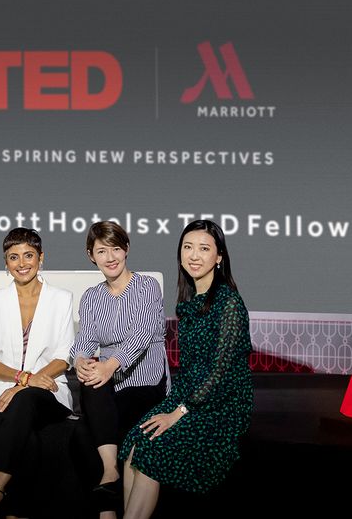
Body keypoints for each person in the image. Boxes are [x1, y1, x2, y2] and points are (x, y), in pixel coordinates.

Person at [119, 219, 254, 519]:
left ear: (219, 257)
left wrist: (178, 413)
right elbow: (191, 368)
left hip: (221, 404)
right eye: (188, 247)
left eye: (204, 249)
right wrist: (175, 403)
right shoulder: (191, 301)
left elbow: (221, 374)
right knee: (133, 444)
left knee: (154, 450)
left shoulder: (229, 303)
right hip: (189, 394)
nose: (194, 255)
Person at [0, 228, 75, 519]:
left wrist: (22, 387)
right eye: (13, 257)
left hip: (48, 390)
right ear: (6, 263)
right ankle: (17, 513)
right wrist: (23, 379)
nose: (21, 263)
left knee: (25, 401)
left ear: (41, 258)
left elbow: (63, 357)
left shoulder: (61, 298)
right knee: (26, 435)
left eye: (28, 255)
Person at [70, 221, 169, 518]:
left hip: (145, 379)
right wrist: (80, 361)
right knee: (88, 384)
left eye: (115, 248)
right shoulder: (91, 296)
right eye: (102, 251)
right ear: (91, 255)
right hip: (109, 381)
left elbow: (141, 334)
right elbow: (85, 340)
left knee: (92, 426)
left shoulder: (146, 286)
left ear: (126, 249)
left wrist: (109, 365)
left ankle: (107, 497)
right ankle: (110, 475)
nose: (110, 257)